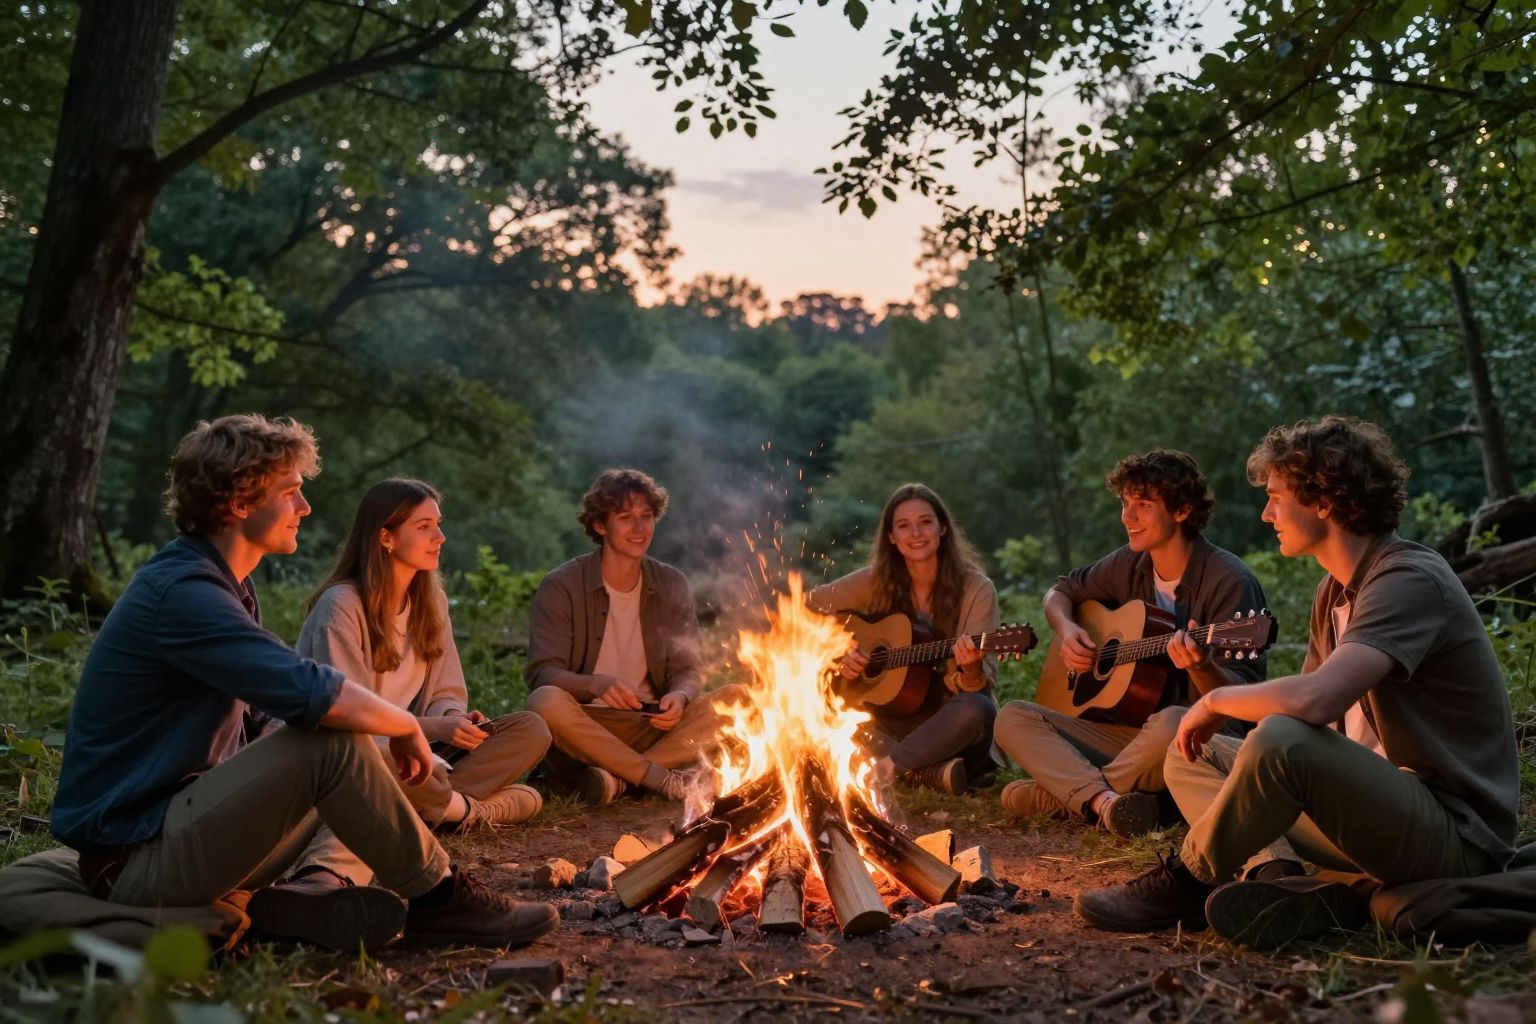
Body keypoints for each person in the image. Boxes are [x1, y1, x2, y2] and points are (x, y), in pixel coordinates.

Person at [50, 415, 557, 951]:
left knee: (351, 751)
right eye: (291, 492)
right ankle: (440, 900)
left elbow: (261, 718)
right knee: (339, 738)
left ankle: (324, 886)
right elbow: (310, 690)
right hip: (138, 859)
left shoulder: (228, 588)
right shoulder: (182, 592)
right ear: (239, 502)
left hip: (183, 830)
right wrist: (405, 723)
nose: (304, 508)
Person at [1075, 417, 1519, 948]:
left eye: (1277, 497)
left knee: (1280, 741)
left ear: (1323, 500)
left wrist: (1217, 697)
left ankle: (1189, 880)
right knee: (1190, 751)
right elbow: (1312, 717)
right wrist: (1209, 686)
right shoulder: (1333, 592)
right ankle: (1279, 882)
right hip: (1372, 816)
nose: (1266, 513)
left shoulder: (1407, 579)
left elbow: (1315, 701)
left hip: (1453, 835)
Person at [994, 450, 1267, 837]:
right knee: (1012, 716)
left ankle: (1058, 797)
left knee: (1174, 720)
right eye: (1125, 503)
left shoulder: (1230, 582)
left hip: (1200, 741)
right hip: (1133, 738)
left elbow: (1241, 706)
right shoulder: (1129, 563)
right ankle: (1107, 802)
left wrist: (1202, 666)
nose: (1127, 517)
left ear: (1182, 510)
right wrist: (1068, 630)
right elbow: (1061, 590)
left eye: (1142, 504)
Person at [298, 478, 551, 832]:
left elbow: (447, 691)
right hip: (360, 753)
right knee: (371, 759)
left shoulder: (431, 603)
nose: (440, 537)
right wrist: (436, 728)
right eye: (424, 527)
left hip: (421, 756)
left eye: (438, 525)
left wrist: (455, 721)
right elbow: (350, 720)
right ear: (386, 537)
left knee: (531, 728)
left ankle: (420, 807)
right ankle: (464, 811)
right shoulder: (341, 606)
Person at [525, 468, 745, 805]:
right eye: (626, 517)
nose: (640, 528)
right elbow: (543, 673)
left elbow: (688, 669)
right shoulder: (562, 586)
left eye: (647, 516)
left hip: (651, 726)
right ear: (600, 525)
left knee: (739, 697)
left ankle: (618, 779)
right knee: (544, 700)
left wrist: (681, 696)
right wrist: (594, 685)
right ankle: (658, 778)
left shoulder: (670, 583)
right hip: (587, 725)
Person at [809, 483, 999, 795]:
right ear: (891, 538)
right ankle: (929, 773)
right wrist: (839, 647)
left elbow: (980, 687)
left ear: (943, 529)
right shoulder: (876, 580)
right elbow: (807, 607)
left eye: (925, 522)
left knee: (977, 709)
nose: (916, 533)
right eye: (903, 526)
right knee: (826, 710)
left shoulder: (976, 589)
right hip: (890, 721)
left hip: (947, 724)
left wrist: (973, 669)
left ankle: (888, 768)